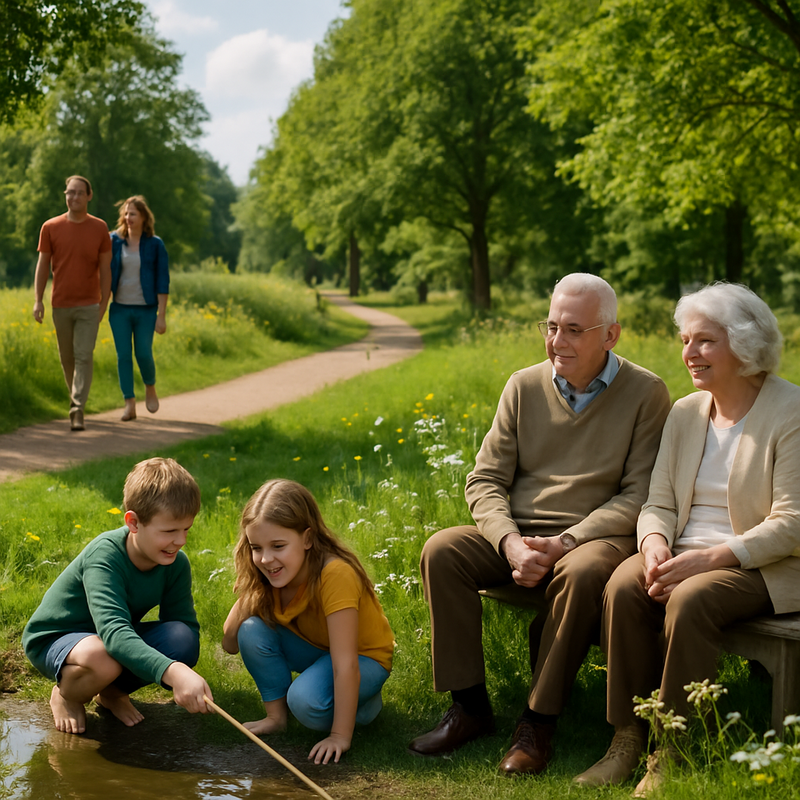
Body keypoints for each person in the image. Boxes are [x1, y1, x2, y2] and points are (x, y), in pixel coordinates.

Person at [407, 273, 671, 776]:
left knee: (582, 571)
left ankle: (537, 722)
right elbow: (484, 479)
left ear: (610, 335)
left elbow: (641, 494)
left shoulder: (646, 393)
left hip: (594, 538)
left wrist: (567, 540)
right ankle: (470, 709)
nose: (556, 341)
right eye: (551, 327)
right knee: (442, 549)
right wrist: (509, 543)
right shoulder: (524, 385)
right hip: (520, 532)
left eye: (573, 329)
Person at [575, 282, 800, 796]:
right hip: (682, 550)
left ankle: (672, 748)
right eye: (684, 340)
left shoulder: (791, 411)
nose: (689, 354)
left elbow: (792, 522)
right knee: (624, 583)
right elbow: (658, 503)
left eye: (704, 341)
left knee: (693, 598)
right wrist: (653, 542)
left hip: (762, 562)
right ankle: (626, 736)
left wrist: (710, 559)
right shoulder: (685, 411)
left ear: (744, 344)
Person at [23, 457, 214, 734]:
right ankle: (66, 694)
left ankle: (111, 693)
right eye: (170, 531)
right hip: (59, 638)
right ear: (133, 522)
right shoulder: (106, 555)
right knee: (103, 656)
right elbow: (114, 634)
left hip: (106, 640)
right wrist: (173, 672)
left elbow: (184, 629)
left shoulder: (175, 563)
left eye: (186, 529)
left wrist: (179, 666)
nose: (181, 540)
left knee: (182, 639)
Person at [222, 479, 394, 765]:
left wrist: (340, 735)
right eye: (256, 547)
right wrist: (251, 590)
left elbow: (345, 663)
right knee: (251, 630)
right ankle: (276, 718)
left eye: (278, 545)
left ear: (307, 538)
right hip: (318, 648)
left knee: (306, 703)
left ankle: (365, 708)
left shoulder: (335, 574)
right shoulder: (271, 573)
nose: (265, 559)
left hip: (363, 658)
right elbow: (230, 643)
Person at [33, 175, 112, 431]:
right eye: (69, 192)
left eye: (79, 193)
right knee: (67, 357)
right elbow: (43, 265)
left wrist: (103, 303)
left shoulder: (99, 228)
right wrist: (38, 300)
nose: (73, 197)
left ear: (89, 196)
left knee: (83, 355)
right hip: (61, 304)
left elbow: (106, 269)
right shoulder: (50, 227)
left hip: (89, 304)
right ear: (65, 195)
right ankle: (76, 400)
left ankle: (77, 408)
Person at [109, 195, 170, 421]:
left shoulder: (155, 244)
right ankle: (129, 403)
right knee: (123, 355)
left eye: (132, 213)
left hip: (146, 310)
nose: (127, 217)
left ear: (144, 217)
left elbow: (163, 281)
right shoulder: (113, 241)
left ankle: (150, 387)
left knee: (143, 353)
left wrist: (161, 316)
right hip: (120, 310)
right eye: (125, 213)